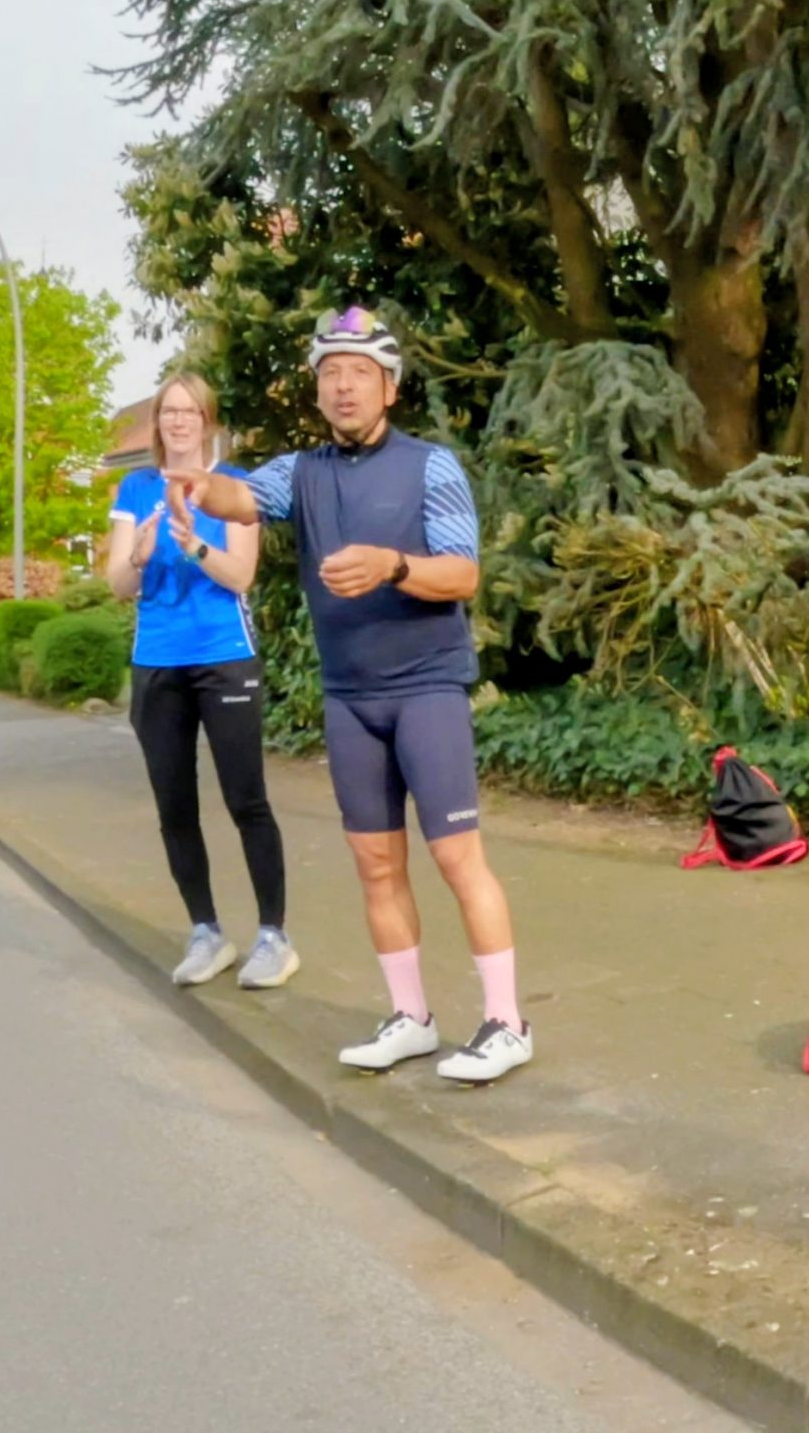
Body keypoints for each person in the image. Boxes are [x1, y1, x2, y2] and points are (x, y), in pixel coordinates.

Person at [170, 307, 532, 1084]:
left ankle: (507, 1022)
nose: (342, 387)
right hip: (350, 696)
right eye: (330, 374)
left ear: (389, 388)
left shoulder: (430, 467)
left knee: (455, 855)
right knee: (374, 861)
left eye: (358, 374)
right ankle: (412, 1019)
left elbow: (464, 575)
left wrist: (392, 565)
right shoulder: (300, 473)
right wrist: (202, 487)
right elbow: (242, 500)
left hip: (426, 686)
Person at [105, 372, 296, 990]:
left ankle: (274, 937)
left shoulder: (237, 487)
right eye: (170, 412)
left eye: (191, 412)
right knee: (174, 806)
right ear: (159, 423)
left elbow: (241, 575)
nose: (179, 422)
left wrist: (192, 545)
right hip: (156, 661)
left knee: (247, 800)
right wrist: (136, 555)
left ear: (208, 421)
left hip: (223, 658)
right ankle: (206, 932)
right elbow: (118, 585)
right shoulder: (134, 489)